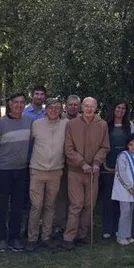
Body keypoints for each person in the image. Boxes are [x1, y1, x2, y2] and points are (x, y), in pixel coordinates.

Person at [0, 93, 33, 252]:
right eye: (16, 102)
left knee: (18, 206)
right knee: (2, 206)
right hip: (3, 171)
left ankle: (14, 238)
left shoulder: (29, 122)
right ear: (10, 104)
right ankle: (1, 239)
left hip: (22, 171)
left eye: (22, 102)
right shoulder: (0, 124)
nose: (19, 105)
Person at [62, 97, 109, 249]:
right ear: (82, 107)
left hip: (93, 172)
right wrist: (82, 163)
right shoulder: (72, 124)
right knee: (76, 204)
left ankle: (82, 235)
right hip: (76, 171)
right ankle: (69, 237)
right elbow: (68, 149)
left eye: (92, 106)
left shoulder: (102, 125)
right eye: (86, 106)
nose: (89, 109)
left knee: (89, 205)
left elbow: (105, 147)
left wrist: (96, 163)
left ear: (96, 108)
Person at [27, 99, 67, 251]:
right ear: (45, 109)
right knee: (36, 206)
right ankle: (32, 238)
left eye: (57, 108)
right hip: (37, 170)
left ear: (61, 110)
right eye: (50, 107)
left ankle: (46, 236)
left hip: (56, 171)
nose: (53, 110)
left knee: (50, 205)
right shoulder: (36, 124)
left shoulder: (66, 124)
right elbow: (28, 144)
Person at [101, 101, 134, 239]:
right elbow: (101, 144)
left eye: (123, 108)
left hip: (124, 167)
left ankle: (118, 227)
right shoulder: (105, 125)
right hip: (108, 166)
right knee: (108, 198)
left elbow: (133, 144)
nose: (120, 110)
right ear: (113, 109)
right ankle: (107, 228)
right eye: (118, 107)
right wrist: (103, 163)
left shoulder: (130, 125)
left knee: (121, 199)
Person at [51, 94, 81, 240]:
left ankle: (73, 225)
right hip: (60, 163)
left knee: (74, 197)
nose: (73, 107)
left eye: (76, 105)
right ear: (66, 106)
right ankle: (59, 225)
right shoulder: (58, 119)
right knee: (60, 195)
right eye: (70, 104)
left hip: (76, 164)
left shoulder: (84, 120)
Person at [112, 134, 134, 245]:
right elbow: (121, 173)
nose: (133, 147)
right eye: (131, 144)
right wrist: (129, 187)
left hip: (133, 189)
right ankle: (121, 235)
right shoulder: (123, 156)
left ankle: (127, 234)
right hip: (124, 189)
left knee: (130, 212)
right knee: (125, 212)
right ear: (127, 145)